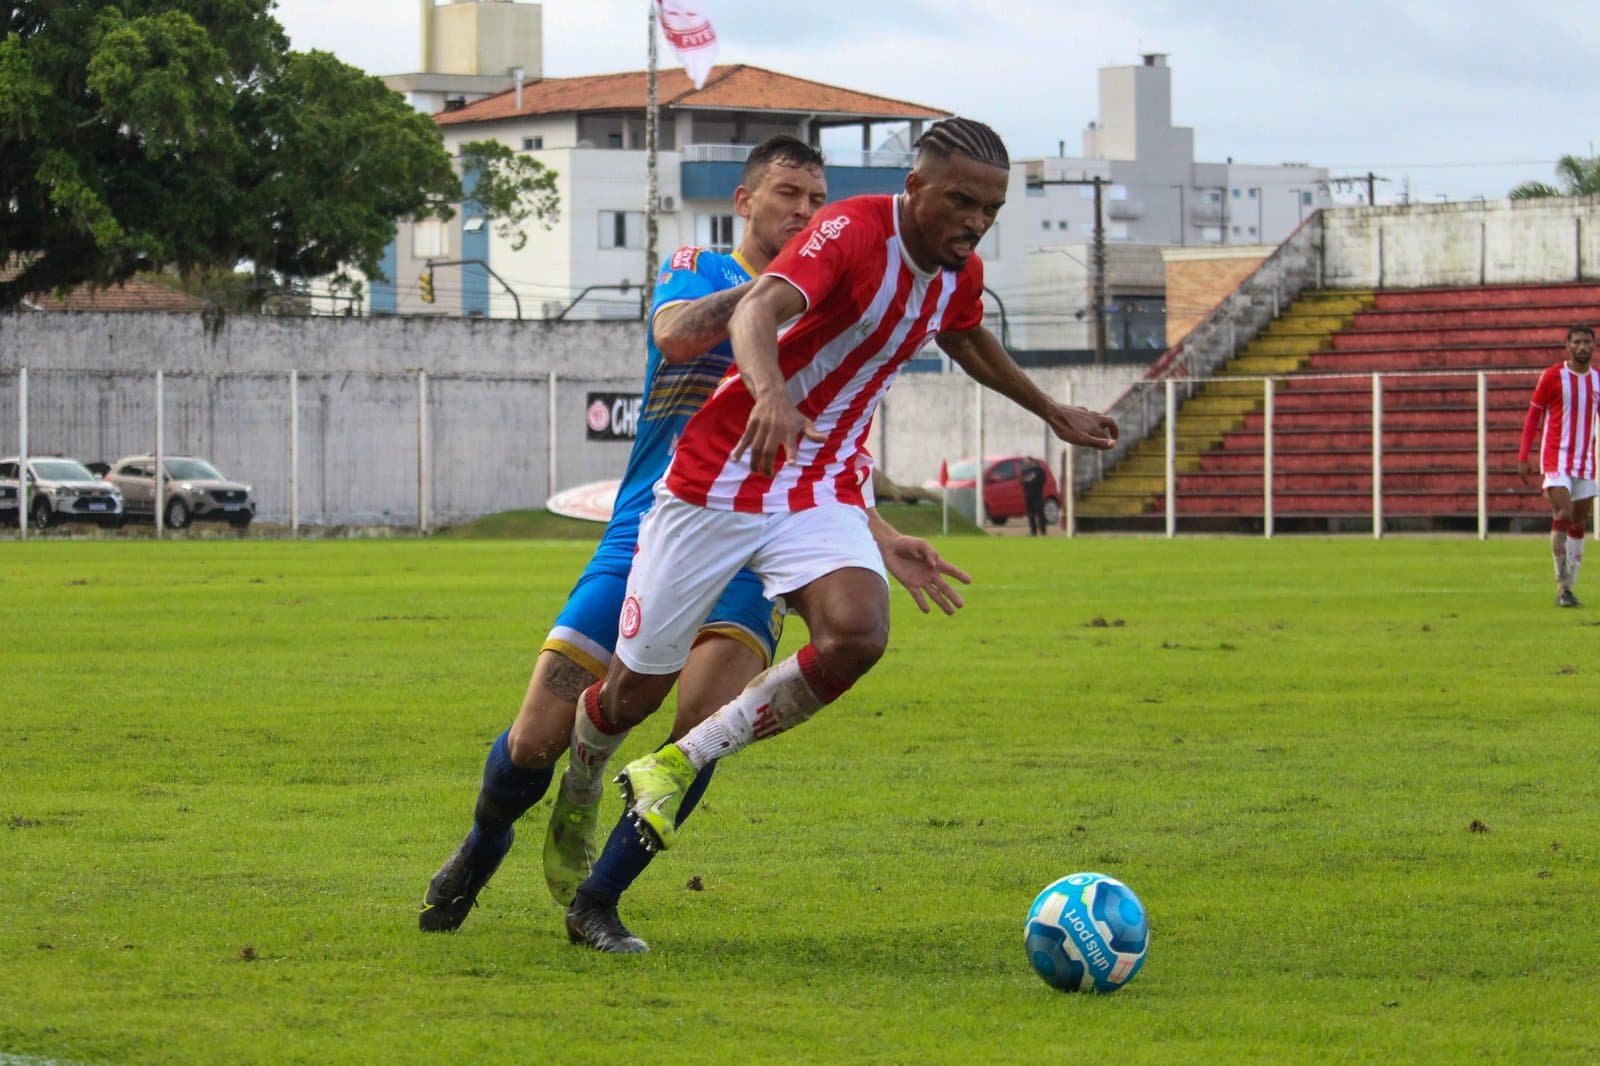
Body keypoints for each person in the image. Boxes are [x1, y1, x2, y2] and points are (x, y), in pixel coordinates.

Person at [561, 118, 1119, 949]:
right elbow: (758, 308)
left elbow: (965, 332)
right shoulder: (853, 229)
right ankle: (583, 772)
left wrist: (1049, 410)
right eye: (961, 202)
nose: (975, 222)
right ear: (915, 188)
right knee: (631, 695)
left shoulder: (956, 272)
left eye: (990, 211)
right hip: (718, 478)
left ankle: (621, 859)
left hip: (817, 487)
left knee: (858, 632)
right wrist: (771, 394)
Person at [418, 135, 970, 946]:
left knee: (704, 728)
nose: (805, 211)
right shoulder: (700, 268)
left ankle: (597, 902)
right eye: (787, 194)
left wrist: (877, 532)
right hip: (653, 525)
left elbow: (825, 452)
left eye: (818, 201)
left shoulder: (846, 301)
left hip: (759, 543)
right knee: (537, 737)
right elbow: (677, 335)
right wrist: (786, 285)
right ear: (744, 202)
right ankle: (484, 841)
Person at [1517, 323, 1599, 607]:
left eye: (1587, 342)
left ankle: (1569, 588)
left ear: (1594, 346)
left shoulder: (1597, 381)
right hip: (1556, 459)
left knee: (1579, 521)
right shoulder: (1552, 377)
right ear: (1567, 346)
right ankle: (1562, 585)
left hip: (1585, 462)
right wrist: (1523, 456)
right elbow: (1533, 417)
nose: (1582, 347)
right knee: (1563, 512)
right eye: (1576, 342)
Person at [1019, 458, 1048, 535]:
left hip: (1037, 495)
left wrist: (1032, 480)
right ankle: (1033, 532)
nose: (1025, 463)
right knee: (1030, 514)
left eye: (1027, 462)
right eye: (1024, 462)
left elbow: (1042, 480)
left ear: (1032, 462)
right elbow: (1021, 481)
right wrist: (1025, 480)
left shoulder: (1039, 471)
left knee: (1040, 514)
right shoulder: (1024, 471)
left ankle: (1043, 531)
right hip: (1028, 495)